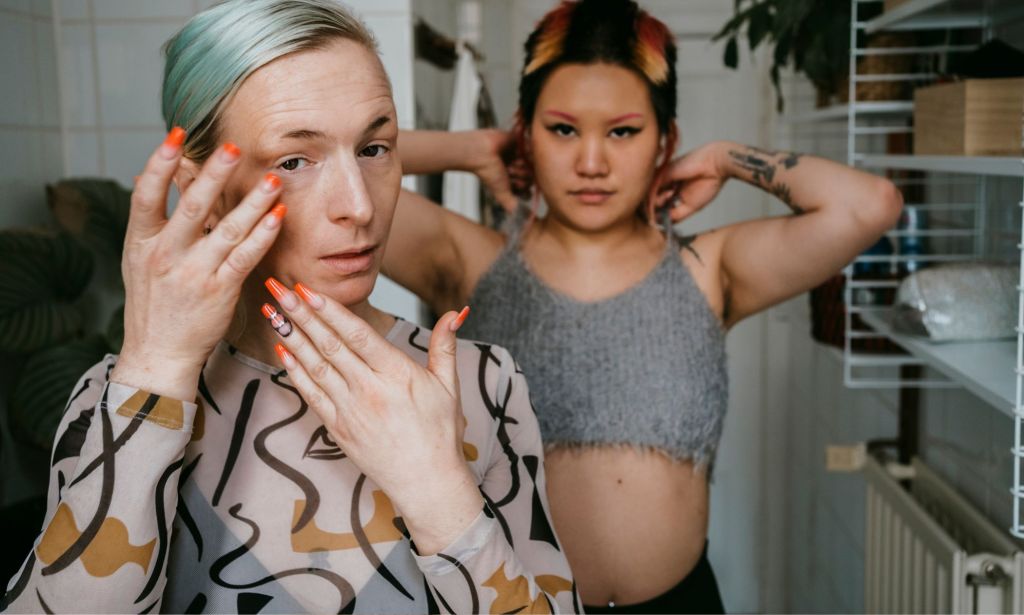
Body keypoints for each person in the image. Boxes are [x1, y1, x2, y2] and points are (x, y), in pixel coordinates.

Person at [0, 1, 578, 613]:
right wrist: (155, 369)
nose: (359, 205)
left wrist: (440, 496)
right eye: (295, 161)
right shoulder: (111, 403)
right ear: (206, 191)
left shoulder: (480, 383)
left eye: (375, 148)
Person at [384, 0, 904, 612]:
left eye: (623, 131)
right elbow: (300, 174)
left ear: (666, 139)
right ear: (527, 133)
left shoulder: (710, 270)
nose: (592, 163)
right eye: (563, 129)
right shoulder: (470, 261)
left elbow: (870, 205)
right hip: (512, 604)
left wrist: (724, 159)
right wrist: (468, 149)